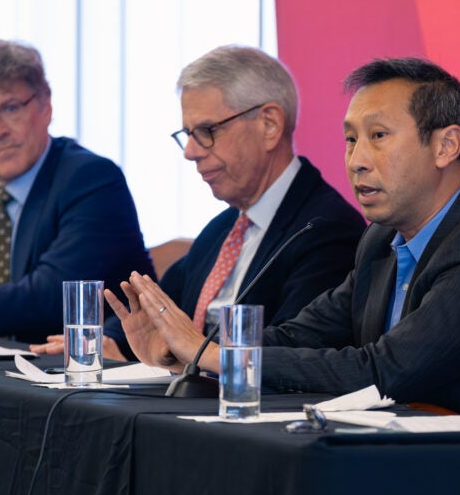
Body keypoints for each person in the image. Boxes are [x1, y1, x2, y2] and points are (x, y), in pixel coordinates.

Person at [105, 57, 460, 426]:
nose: (356, 160)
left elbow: (382, 372)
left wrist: (216, 356)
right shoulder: (381, 241)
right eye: (351, 139)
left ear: (446, 146)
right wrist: (184, 352)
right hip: (426, 453)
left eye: (378, 136)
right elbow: (298, 335)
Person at [32, 45, 365, 360]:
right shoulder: (224, 228)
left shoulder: (326, 229)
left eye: (207, 130)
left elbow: (291, 352)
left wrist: (175, 355)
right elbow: (158, 309)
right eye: (188, 134)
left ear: (269, 125)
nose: (190, 152)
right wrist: (108, 341)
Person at [0, 38, 153, 345]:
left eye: (10, 108)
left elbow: (51, 296)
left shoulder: (92, 180)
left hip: (83, 366)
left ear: (46, 106)